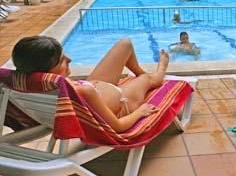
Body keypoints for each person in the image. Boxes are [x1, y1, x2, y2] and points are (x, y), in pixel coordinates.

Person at [12, 36, 170, 133]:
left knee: (125, 44)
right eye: (61, 60)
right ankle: (159, 70)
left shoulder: (30, 84)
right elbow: (118, 127)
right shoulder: (83, 92)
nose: (69, 59)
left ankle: (140, 73)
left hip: (95, 87)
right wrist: (140, 112)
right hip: (122, 102)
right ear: (46, 71)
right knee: (149, 80)